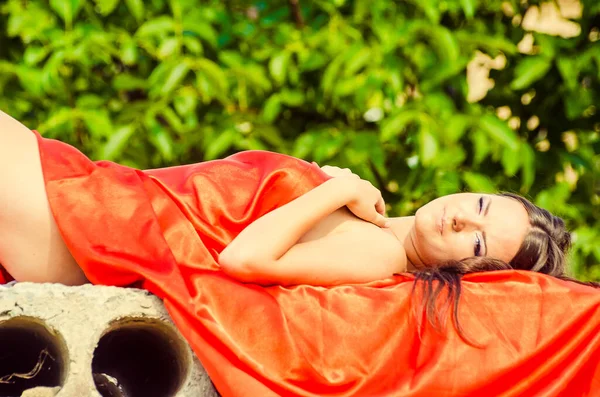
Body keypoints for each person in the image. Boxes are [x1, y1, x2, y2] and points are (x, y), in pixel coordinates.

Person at [0, 110, 578, 289]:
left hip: (88, 231)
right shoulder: (368, 222)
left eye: (476, 240)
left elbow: (246, 260)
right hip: (100, 199)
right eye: (477, 204)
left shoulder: (381, 257)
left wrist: (340, 187)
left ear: (474, 271)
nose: (458, 216)